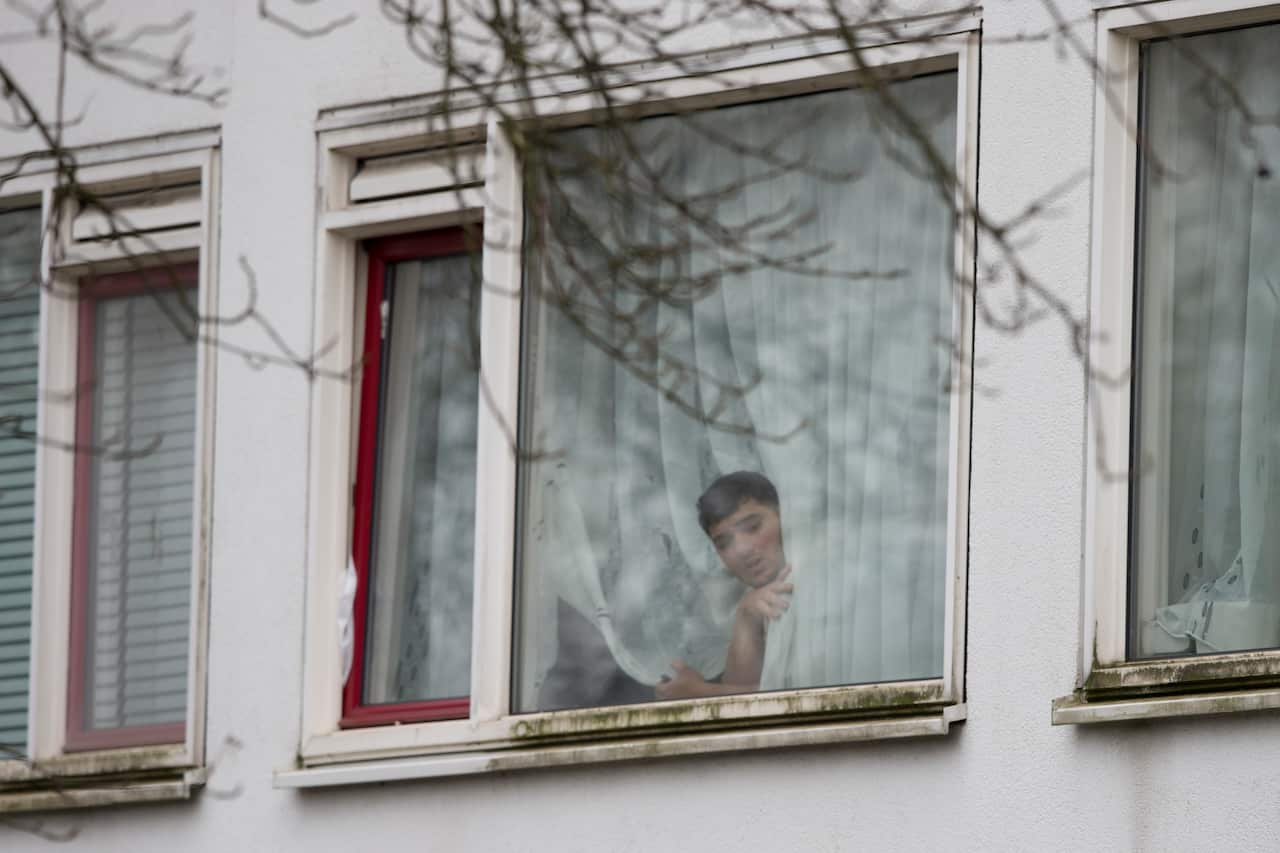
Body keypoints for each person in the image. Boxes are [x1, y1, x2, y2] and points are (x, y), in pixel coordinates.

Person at [655, 471, 794, 700]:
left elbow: (813, 692)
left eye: (752, 527)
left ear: (784, 516)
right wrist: (746, 615)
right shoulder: (754, 600)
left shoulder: (815, 589)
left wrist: (701, 693)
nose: (741, 550)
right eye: (724, 543)